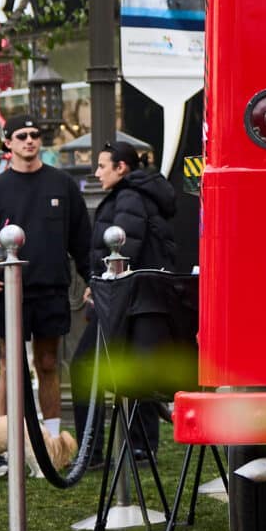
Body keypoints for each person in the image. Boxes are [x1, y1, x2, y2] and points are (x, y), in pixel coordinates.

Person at [0, 113, 91, 434]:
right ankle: (6, 438)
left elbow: (82, 240)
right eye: (22, 135)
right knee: (9, 366)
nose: (29, 140)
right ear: (8, 143)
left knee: (47, 364)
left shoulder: (63, 184)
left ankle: (53, 438)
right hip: (9, 290)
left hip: (51, 289)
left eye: (34, 135)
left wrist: (93, 280)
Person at [88, 135, 196, 459]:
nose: (96, 173)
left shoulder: (129, 198)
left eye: (102, 166)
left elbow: (124, 248)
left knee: (100, 364)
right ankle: (137, 444)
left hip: (129, 296)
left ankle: (97, 450)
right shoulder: (138, 194)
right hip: (143, 296)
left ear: (121, 167)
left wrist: (105, 285)